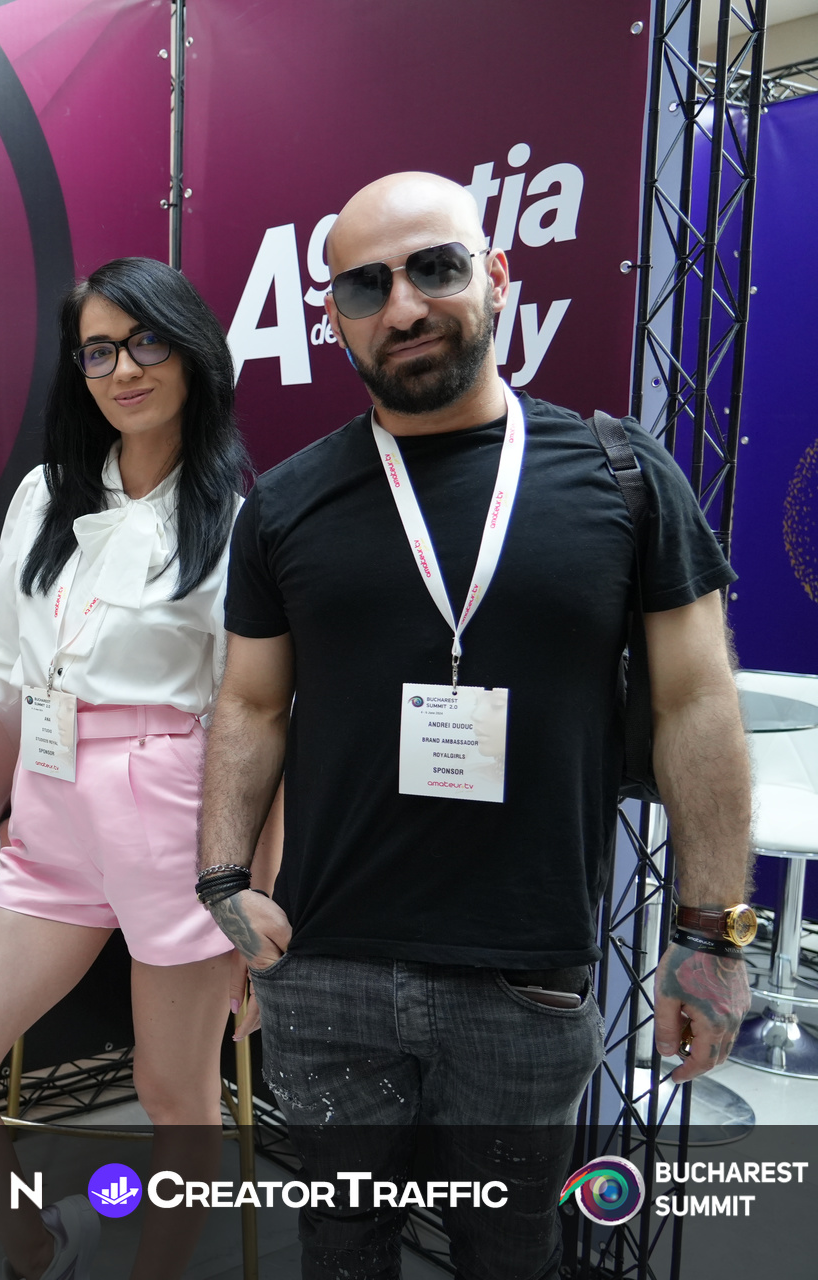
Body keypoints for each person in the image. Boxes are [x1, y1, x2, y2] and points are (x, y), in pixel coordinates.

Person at [196, 172, 752, 1277]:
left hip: (523, 978)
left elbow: (699, 703)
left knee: (509, 1251)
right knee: (340, 1246)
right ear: (335, 317)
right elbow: (250, 703)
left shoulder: (622, 478)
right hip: (328, 963)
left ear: (496, 276)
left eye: (435, 268)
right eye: (366, 286)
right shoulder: (289, 503)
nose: (403, 306)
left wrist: (708, 938)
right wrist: (221, 879)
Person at [0, 258, 273, 1280]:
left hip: (174, 817)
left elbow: (263, 719)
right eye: (98, 351)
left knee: (174, 1092)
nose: (123, 370)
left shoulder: (238, 519)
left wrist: (257, 898)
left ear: (193, 351)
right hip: (51, 811)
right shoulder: (46, 494)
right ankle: (40, 1246)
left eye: (146, 342)